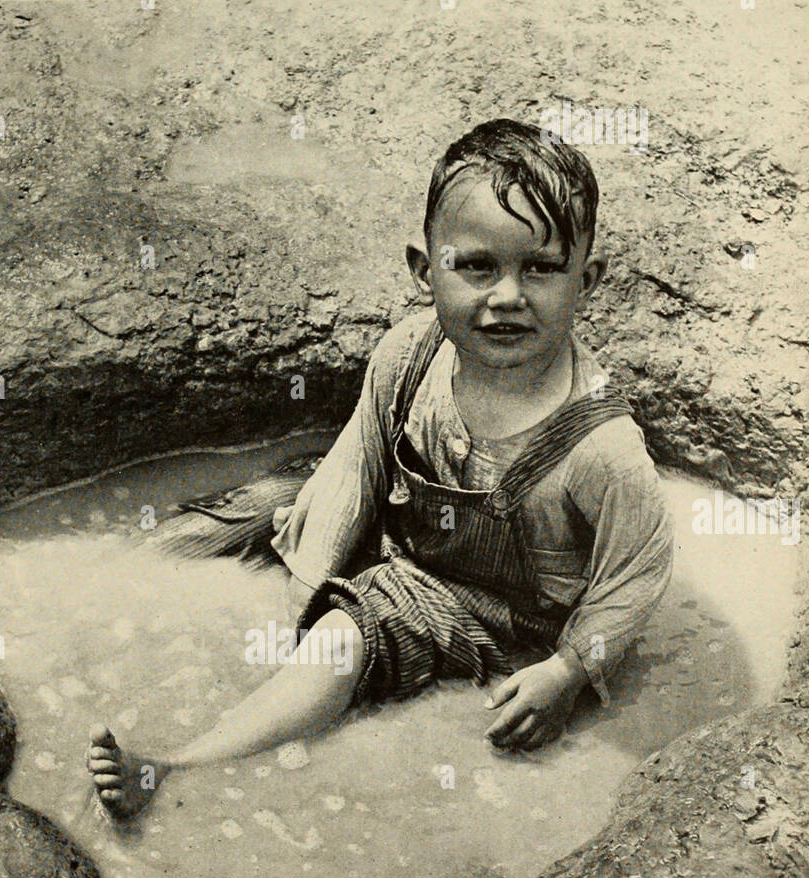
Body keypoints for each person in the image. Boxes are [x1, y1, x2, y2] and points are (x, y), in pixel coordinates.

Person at [87, 118, 673, 817]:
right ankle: (99, 575)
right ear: (425, 271)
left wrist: (569, 671)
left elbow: (634, 574)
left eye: (541, 269)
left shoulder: (598, 445)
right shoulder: (410, 352)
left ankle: (179, 770)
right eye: (477, 266)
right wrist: (296, 594)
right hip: (407, 527)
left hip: (496, 611)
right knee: (267, 502)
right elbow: (355, 467)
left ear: (588, 280)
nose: (508, 296)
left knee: (349, 631)